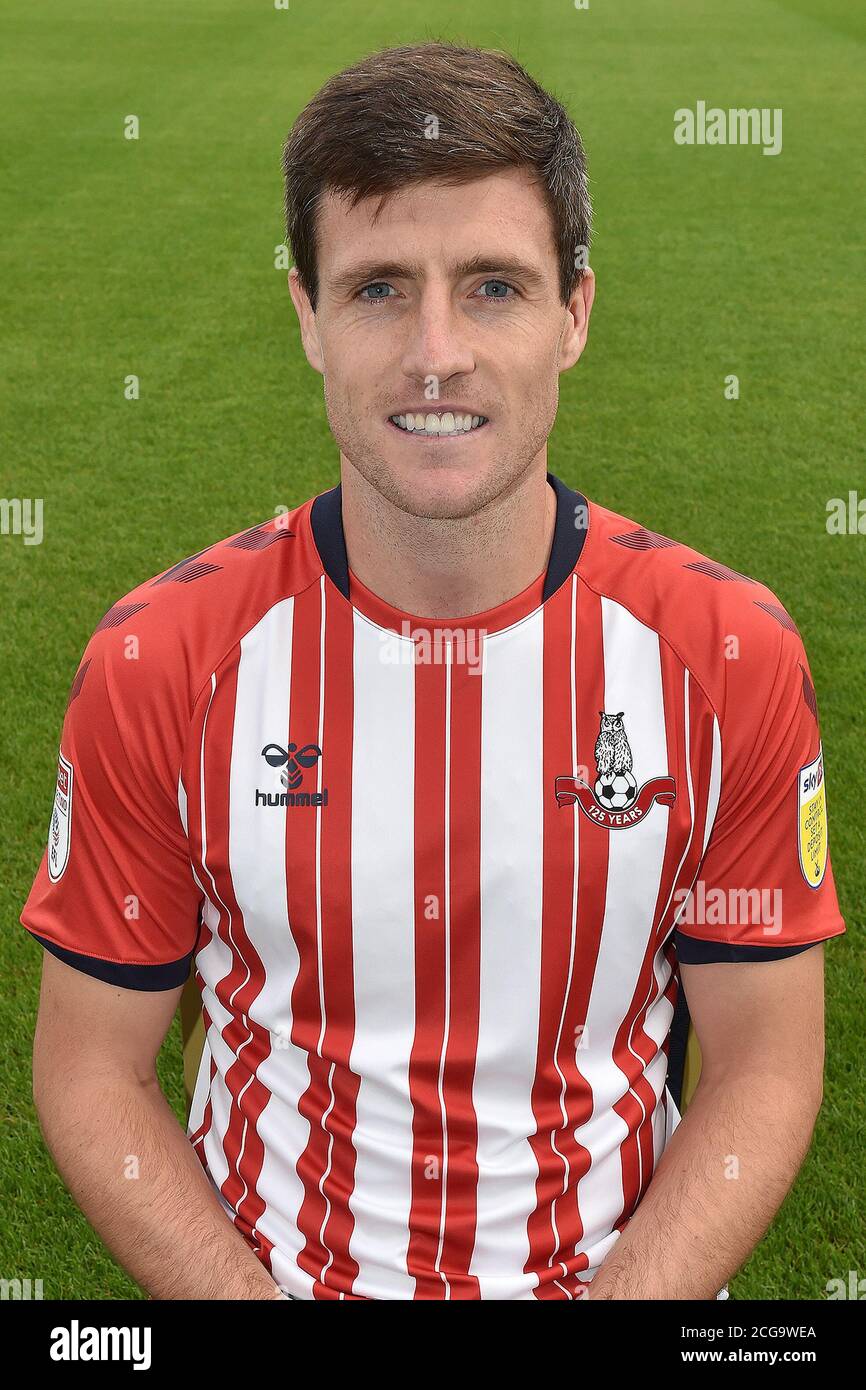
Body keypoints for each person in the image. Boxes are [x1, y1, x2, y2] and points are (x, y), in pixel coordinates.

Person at [21, 41, 845, 1301]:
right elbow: (90, 1064)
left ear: (576, 309)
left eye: (494, 287)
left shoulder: (723, 654)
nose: (435, 352)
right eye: (377, 290)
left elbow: (764, 1064)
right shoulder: (161, 660)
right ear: (304, 311)